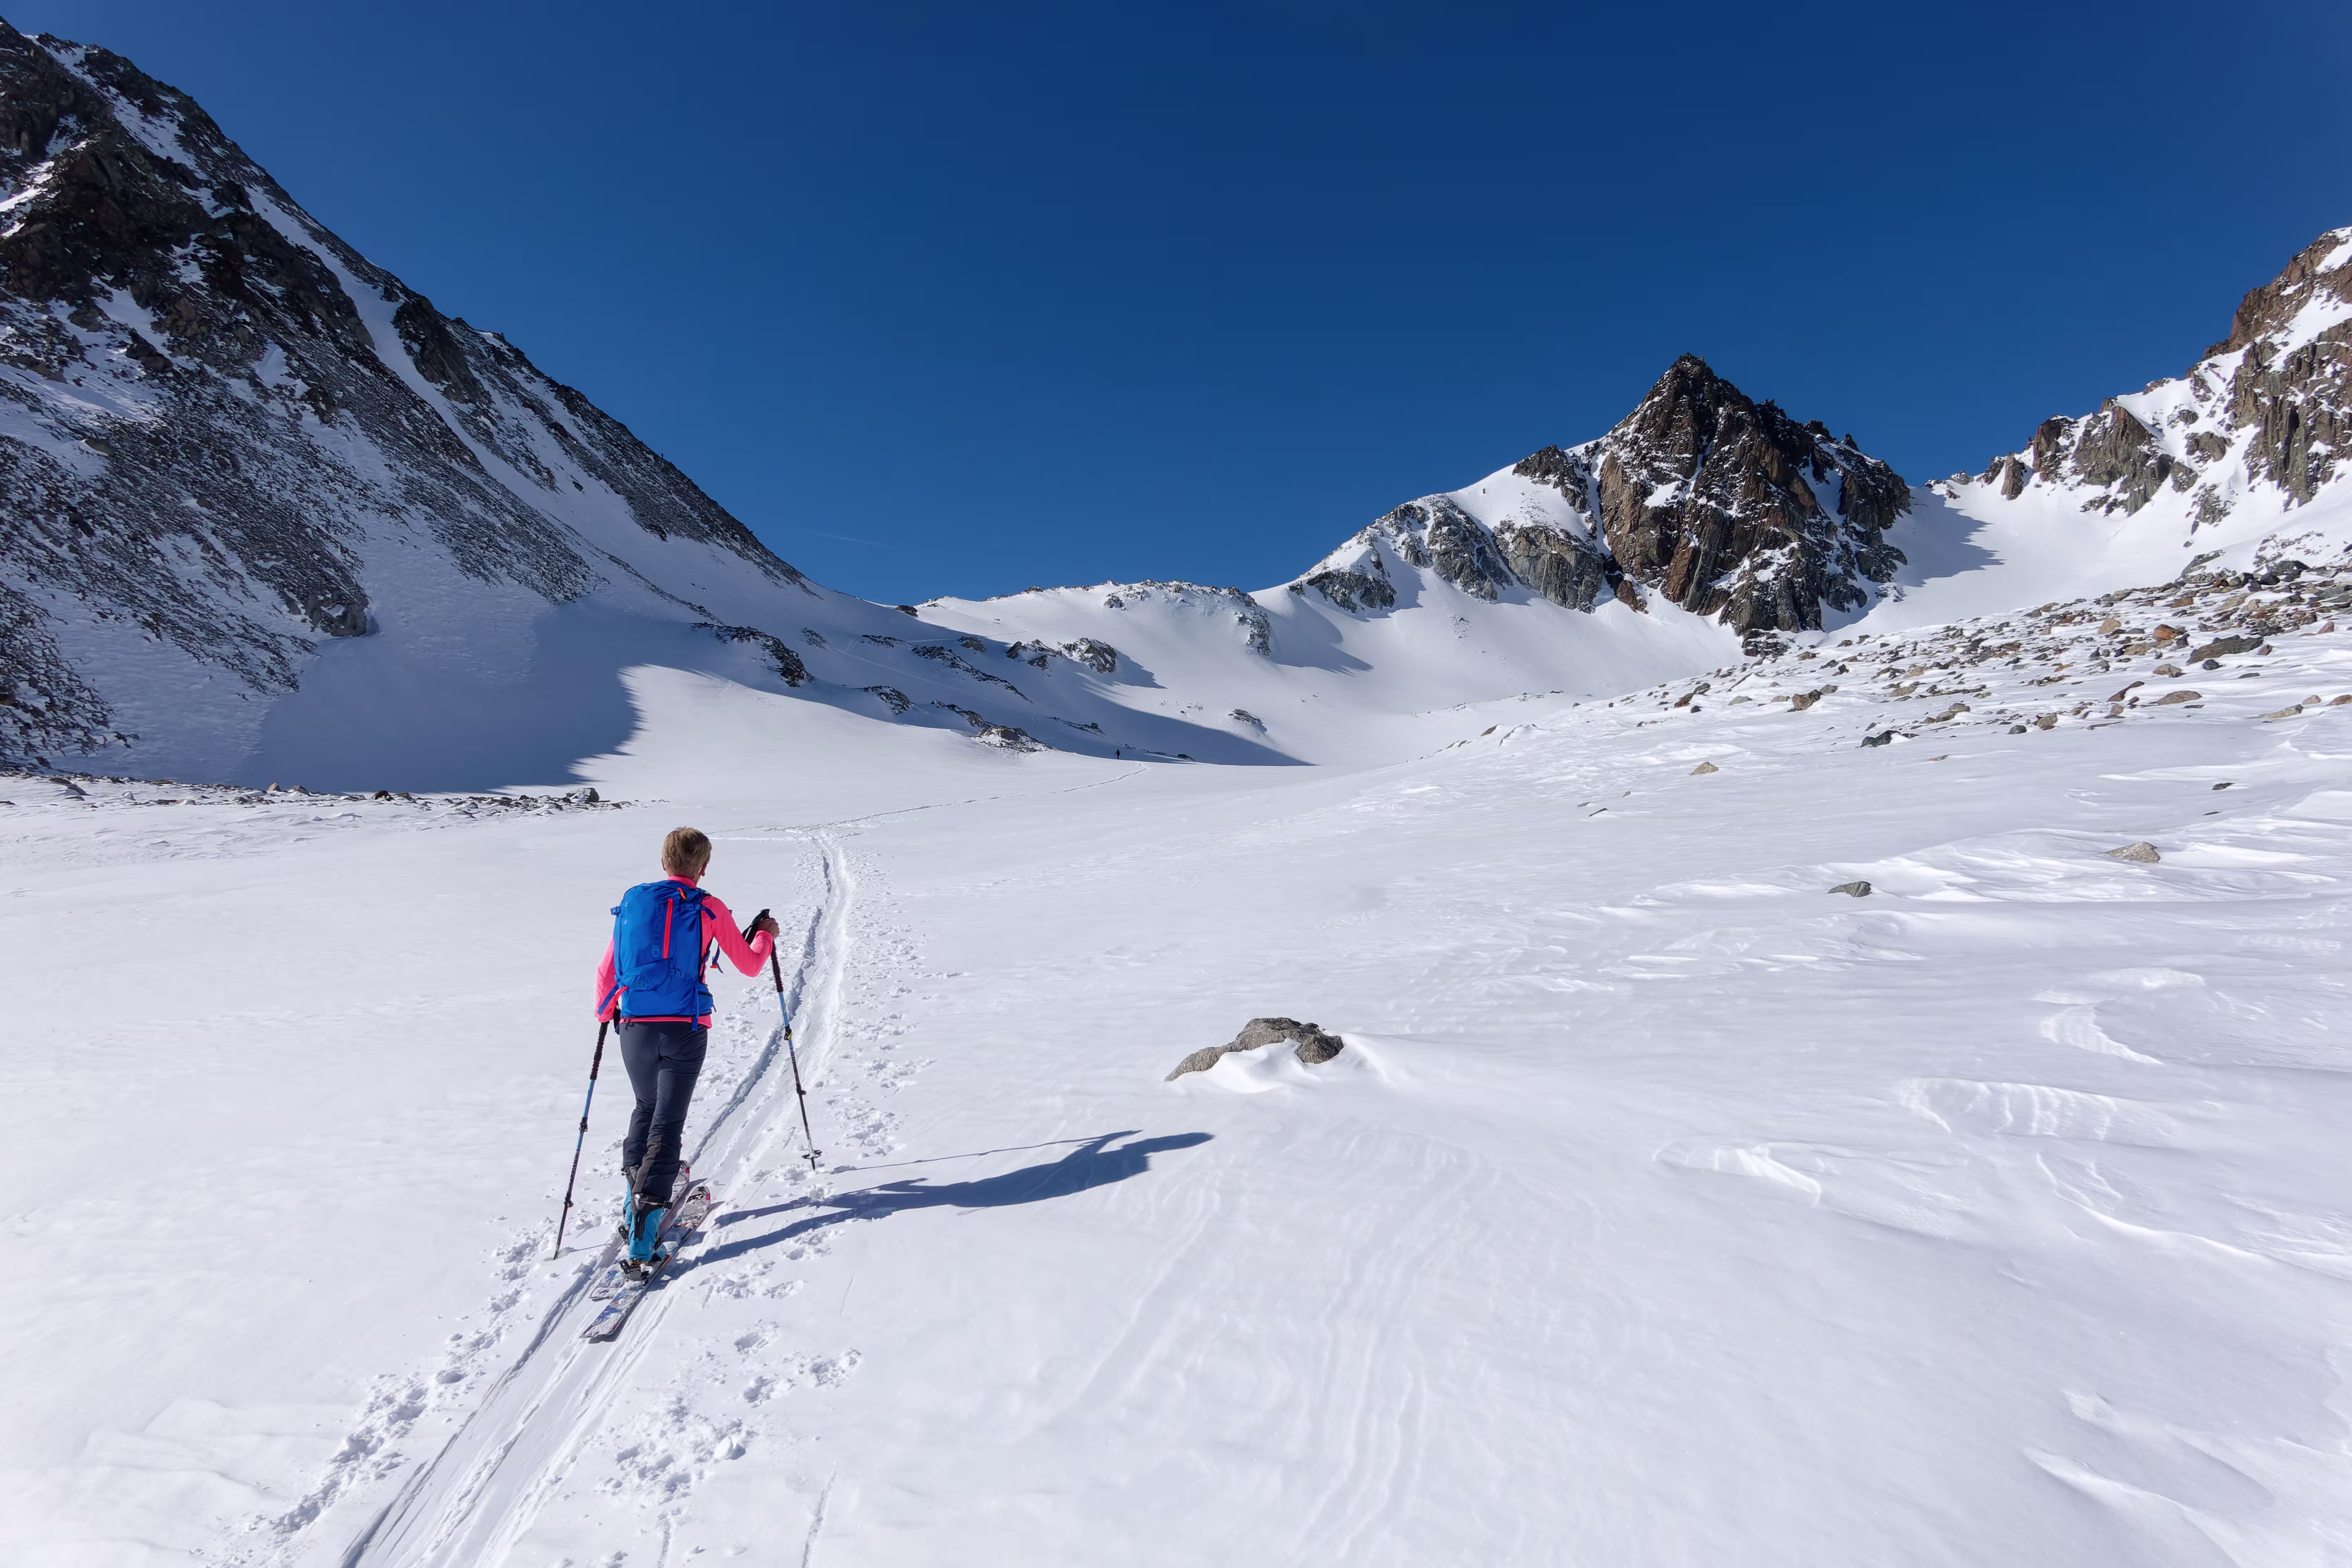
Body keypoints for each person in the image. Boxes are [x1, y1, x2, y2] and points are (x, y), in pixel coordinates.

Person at [593, 827, 779, 1269]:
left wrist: (607, 1017)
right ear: (704, 867)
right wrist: (766, 935)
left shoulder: (636, 904)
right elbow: (751, 965)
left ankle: (631, 1197)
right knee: (668, 1125)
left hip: (634, 1027)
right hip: (685, 1029)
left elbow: (606, 972)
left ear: (663, 862)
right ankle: (643, 1237)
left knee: (645, 1107)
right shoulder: (708, 907)